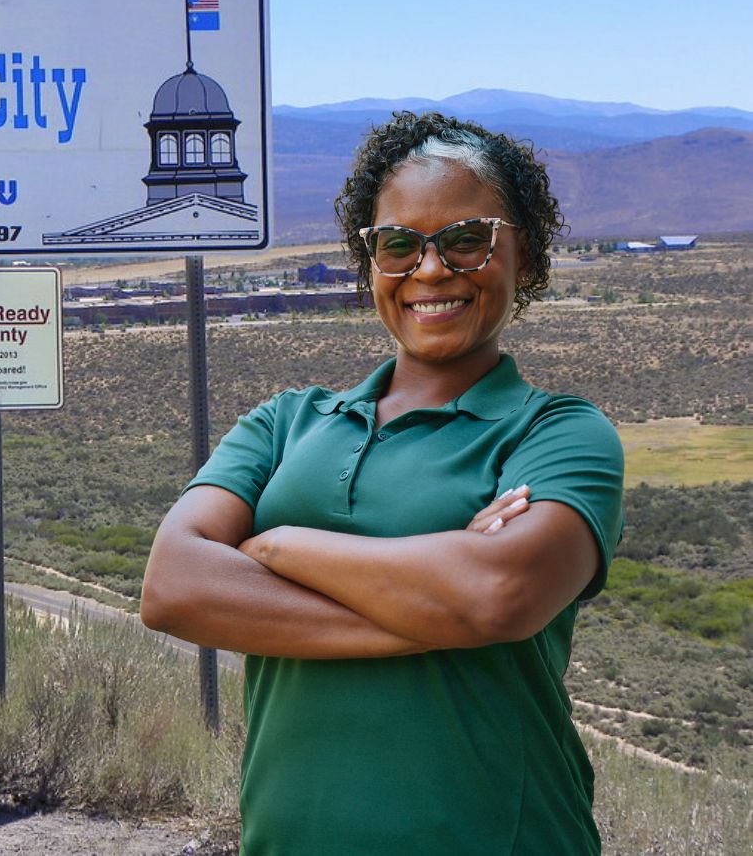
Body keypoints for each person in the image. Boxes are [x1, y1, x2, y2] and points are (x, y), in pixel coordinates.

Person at [140, 112, 624, 855]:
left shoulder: (557, 434)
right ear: (370, 263)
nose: (430, 270)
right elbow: (173, 587)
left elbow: (498, 594)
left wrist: (279, 544)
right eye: (398, 244)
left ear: (523, 256)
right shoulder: (286, 423)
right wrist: (435, 613)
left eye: (467, 239)